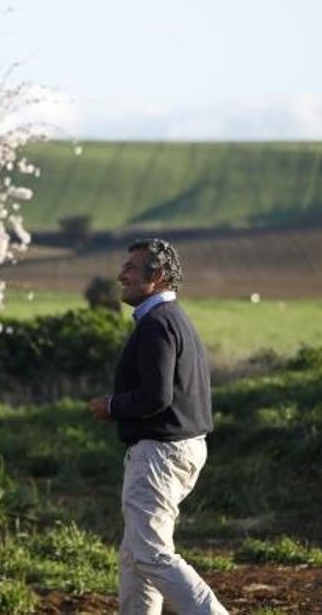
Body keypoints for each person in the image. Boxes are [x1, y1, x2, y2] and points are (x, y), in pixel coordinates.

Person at [88, 238, 227, 614]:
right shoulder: (174, 319)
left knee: (149, 554)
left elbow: (156, 398)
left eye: (131, 269)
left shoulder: (157, 324)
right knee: (135, 557)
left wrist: (111, 406)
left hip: (160, 454)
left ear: (159, 276)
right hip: (177, 448)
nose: (121, 275)